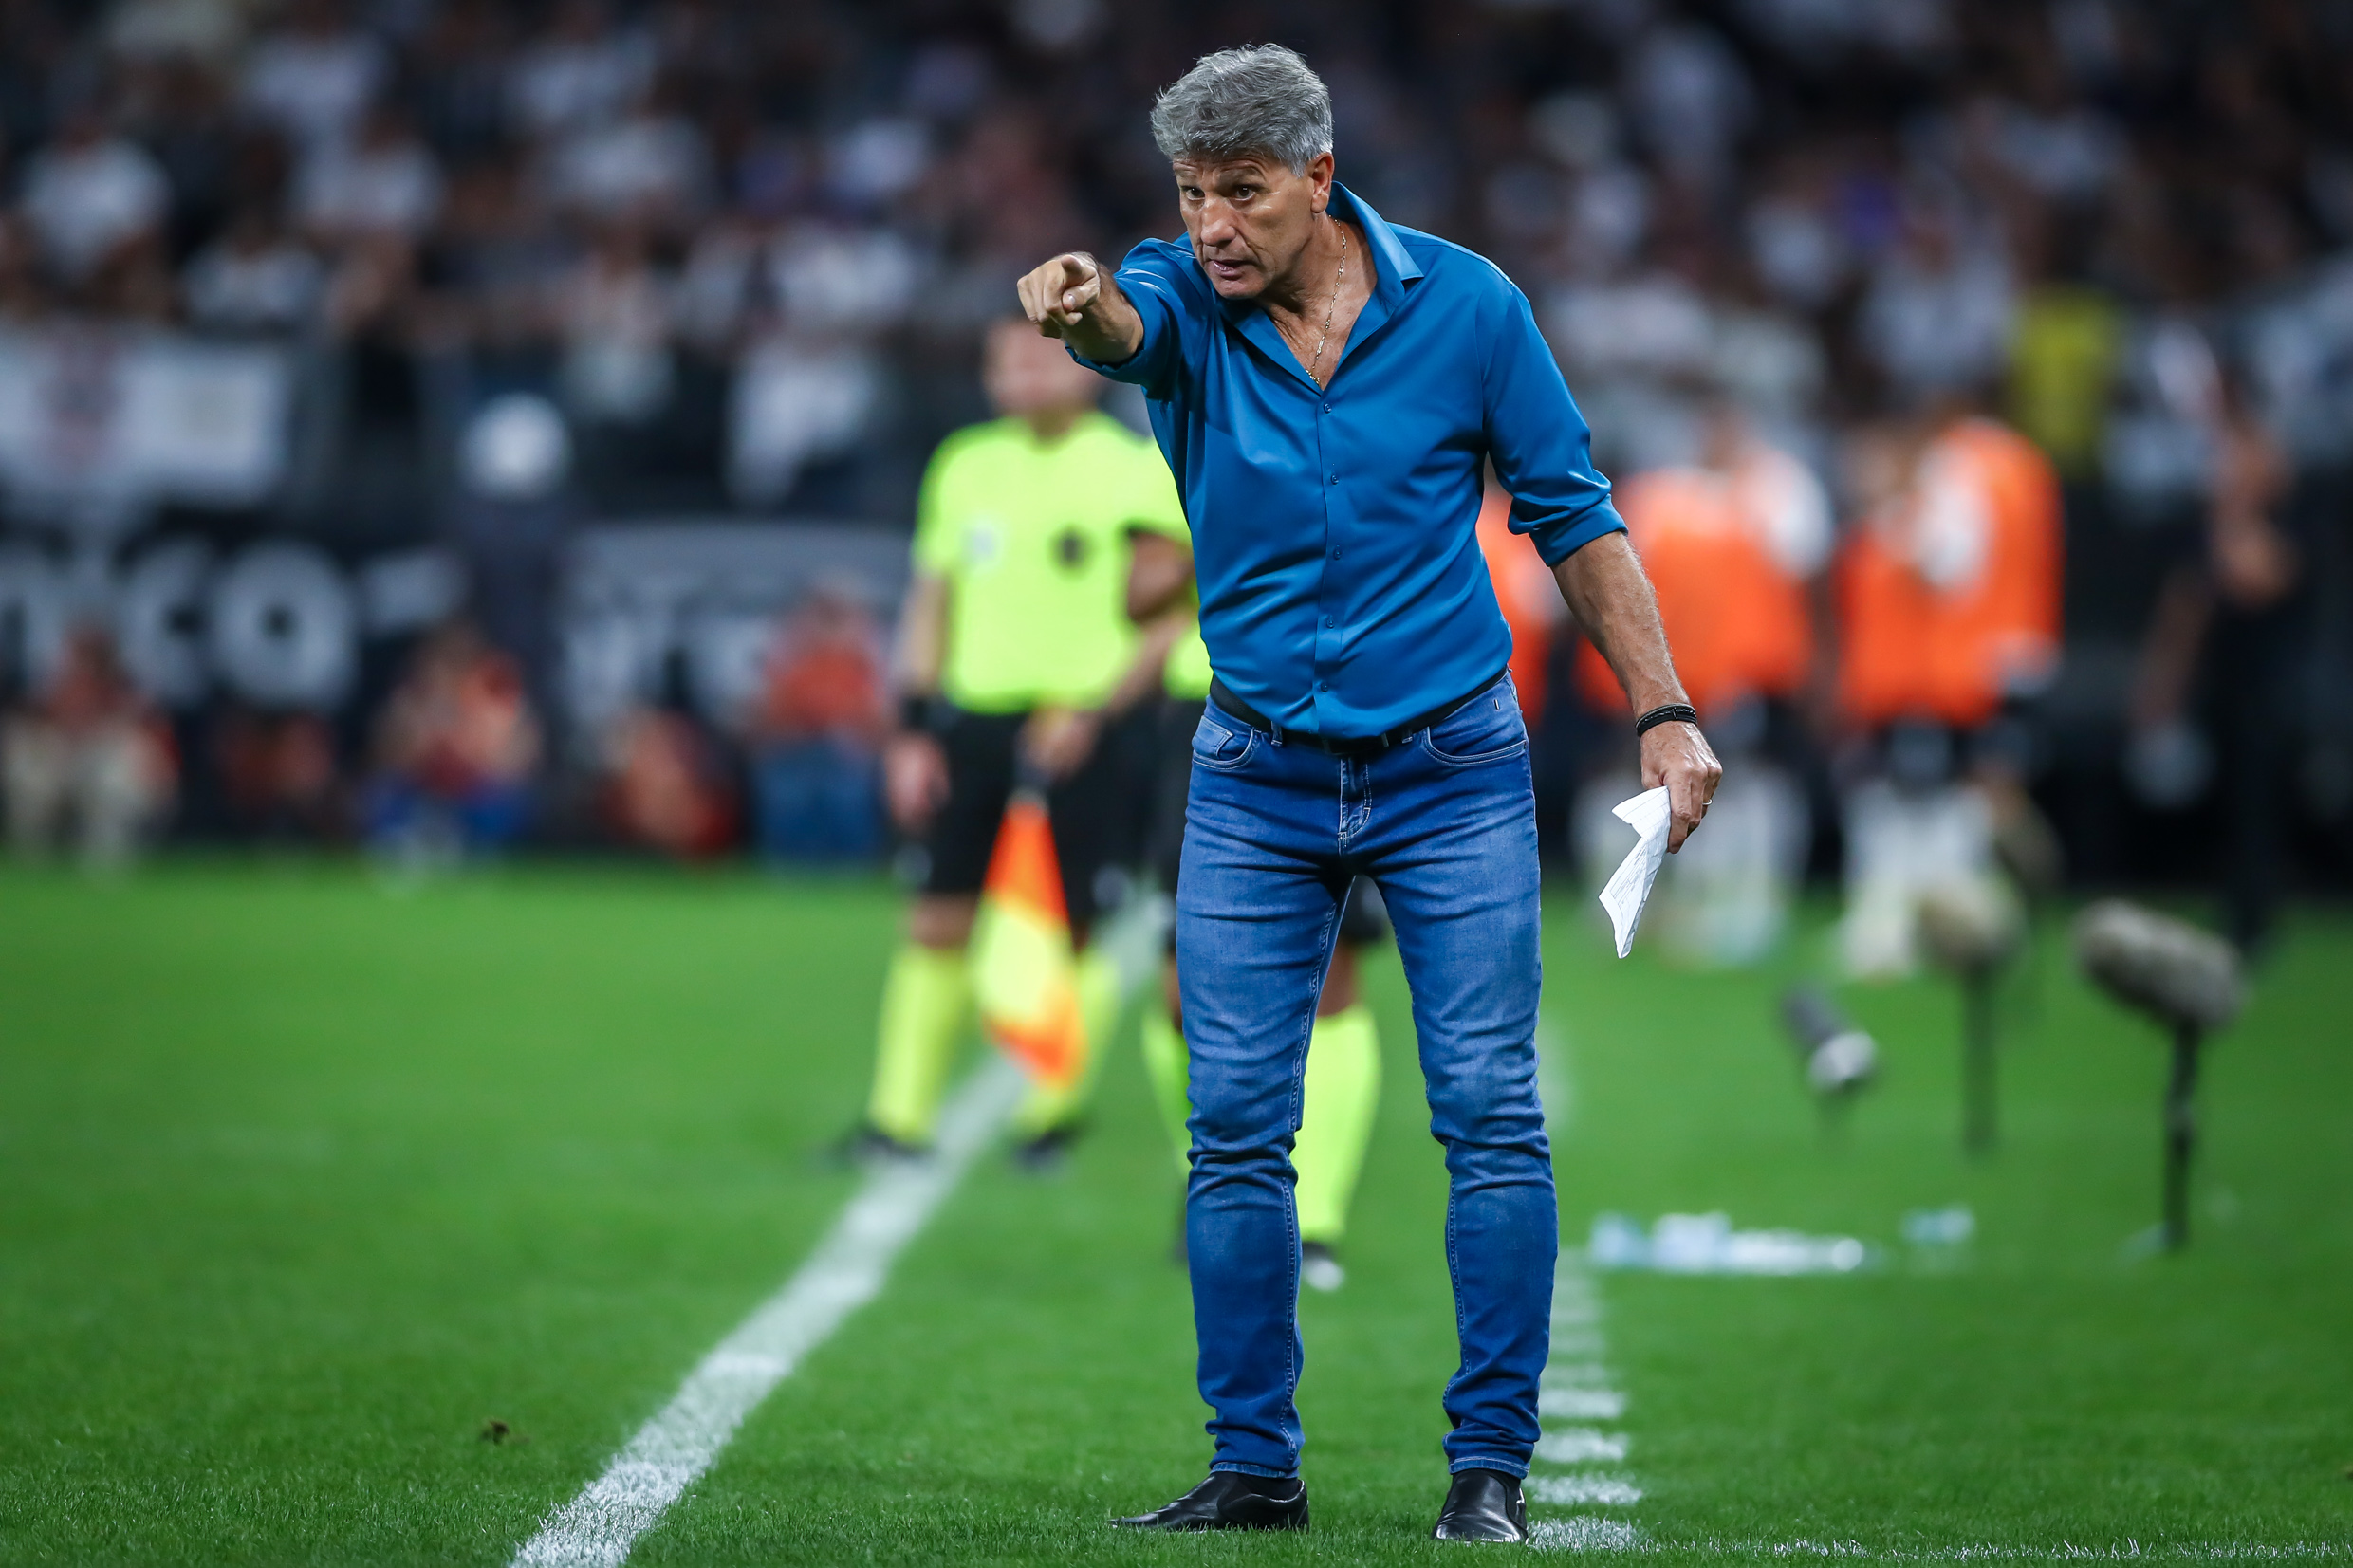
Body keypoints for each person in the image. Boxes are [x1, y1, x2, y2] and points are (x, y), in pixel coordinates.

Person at [1018, 46, 1718, 1542]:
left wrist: (1661, 710)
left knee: (1489, 1115)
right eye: (1193, 192)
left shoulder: (1469, 308)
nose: (1212, 223)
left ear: (1321, 180)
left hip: (1451, 768)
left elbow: (1575, 518)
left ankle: (1489, 1470)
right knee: (1234, 1131)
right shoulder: (1175, 296)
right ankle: (1253, 1465)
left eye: (1244, 192)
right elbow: (1123, 329)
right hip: (1256, 775)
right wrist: (1082, 306)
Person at [848, 318, 1184, 1169]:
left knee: (1072, 926)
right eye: (1006, 359)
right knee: (936, 915)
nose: (1025, 373)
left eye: (1042, 355)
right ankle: (897, 1119)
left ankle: (1048, 1116)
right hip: (976, 720)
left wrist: (1095, 710)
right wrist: (914, 729)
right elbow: (932, 600)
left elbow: (1171, 612)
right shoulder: (965, 464)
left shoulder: (1135, 465)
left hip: (1087, 724)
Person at [1126, 523, 1383, 1296]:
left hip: (1346, 709)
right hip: (1213, 714)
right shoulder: (1188, 424)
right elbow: (1137, 597)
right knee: (1184, 992)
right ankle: (1209, 1186)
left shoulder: (1374, 420)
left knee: (1333, 977)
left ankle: (1319, 1217)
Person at [2, 624, 176, 866]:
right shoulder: (48, 689)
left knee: (116, 781)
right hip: (58, 768)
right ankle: (31, 866)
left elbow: (159, 764)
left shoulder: (129, 692)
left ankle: (102, 869)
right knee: (28, 770)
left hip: (101, 778)